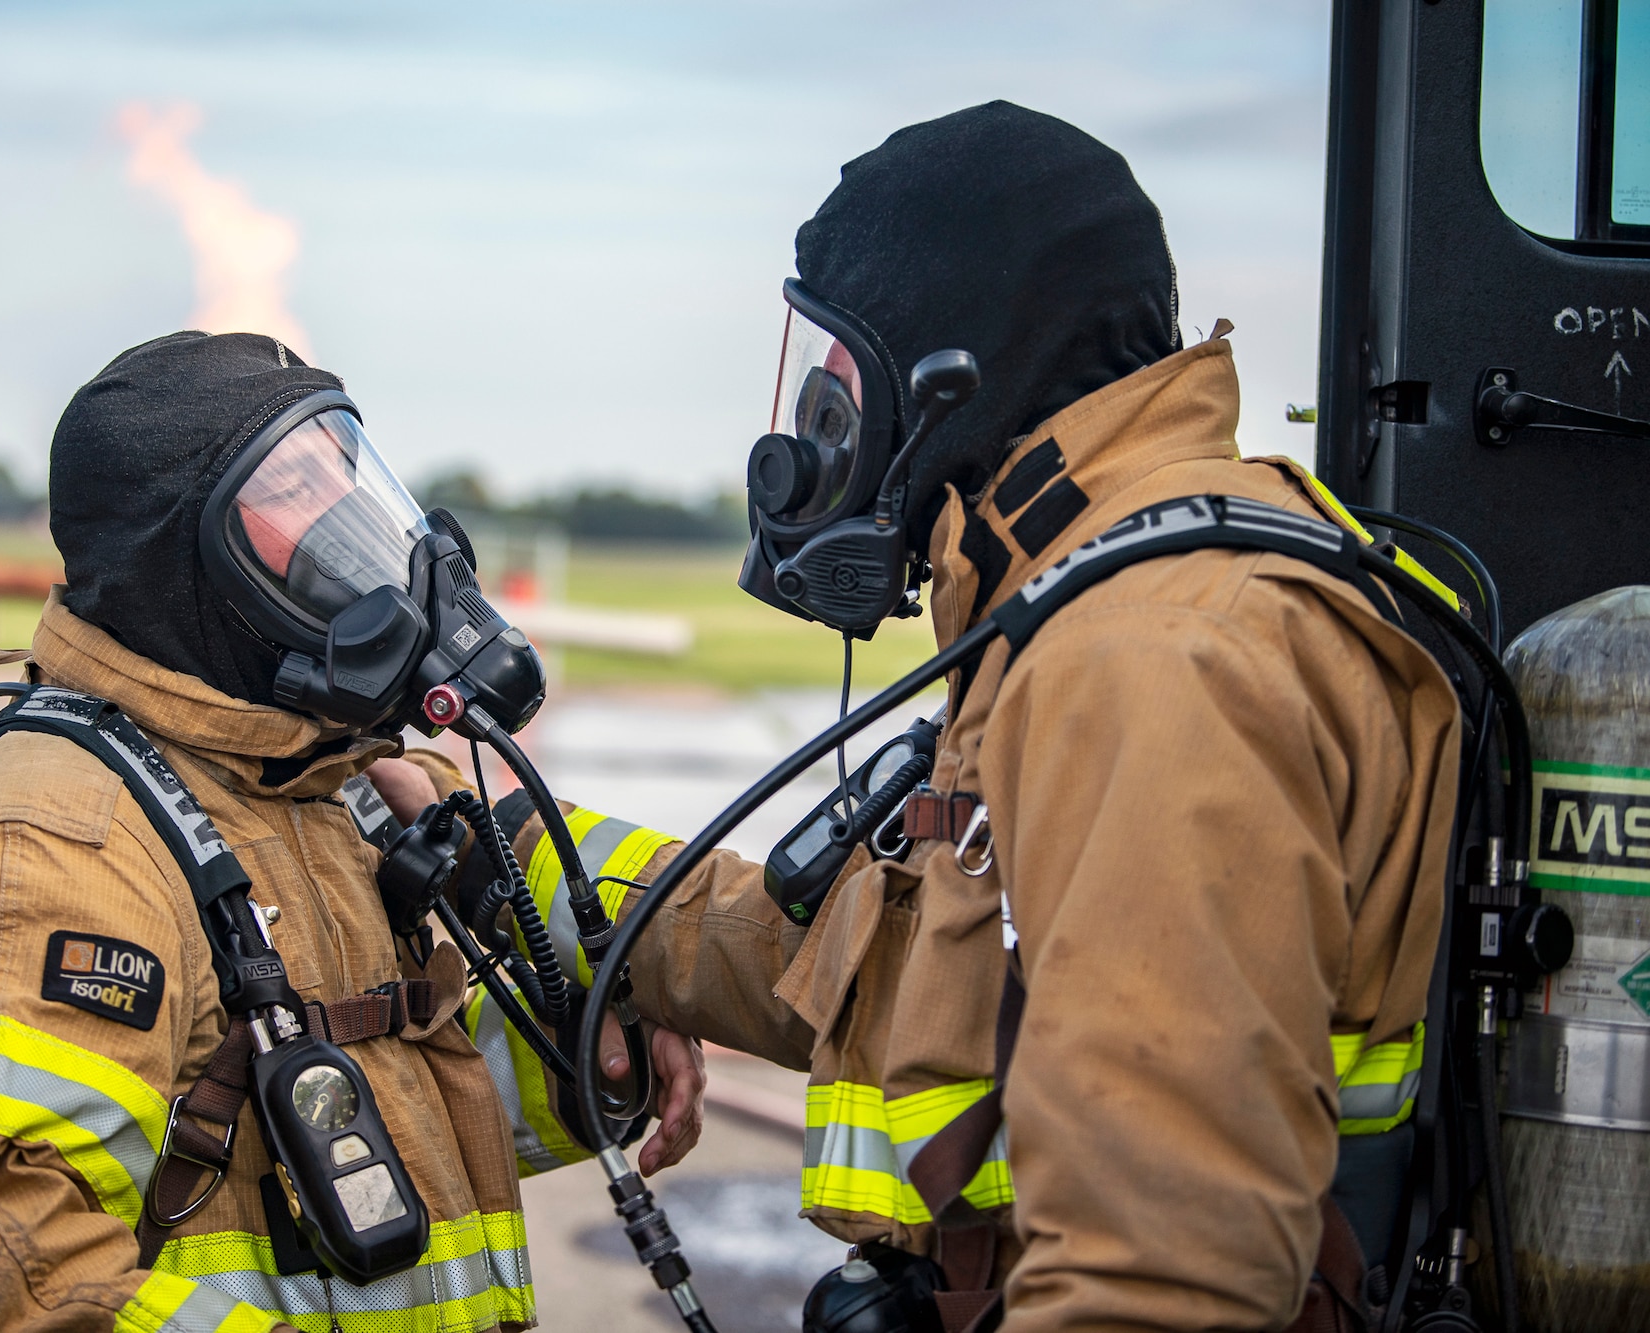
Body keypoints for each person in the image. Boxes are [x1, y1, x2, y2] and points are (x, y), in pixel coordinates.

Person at [386, 102, 1461, 1332]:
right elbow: (848, 974)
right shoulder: (1074, 599)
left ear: (953, 377)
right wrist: (511, 845)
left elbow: (1163, 1278)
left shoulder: (1153, 653)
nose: (811, 443)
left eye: (837, 387)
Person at [0, 331, 704, 1332]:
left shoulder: (317, 788)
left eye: (348, 479)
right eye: (293, 489)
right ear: (189, 563)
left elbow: (368, 1106)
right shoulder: (32, 854)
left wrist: (596, 1028)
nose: (350, 527)